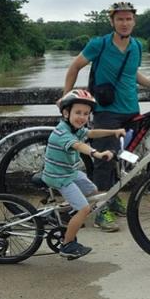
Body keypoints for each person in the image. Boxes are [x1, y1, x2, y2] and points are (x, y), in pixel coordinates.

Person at [63, 1, 150, 232]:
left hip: (131, 110)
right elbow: (74, 67)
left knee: (122, 158)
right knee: (104, 160)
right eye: (120, 19)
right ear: (112, 22)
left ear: (134, 21)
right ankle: (101, 210)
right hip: (106, 111)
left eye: (128, 19)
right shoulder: (99, 44)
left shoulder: (137, 46)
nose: (124, 23)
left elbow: (133, 74)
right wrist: (66, 99)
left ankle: (111, 198)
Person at [43, 89, 126, 259]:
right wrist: (96, 153)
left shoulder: (75, 128)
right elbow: (79, 146)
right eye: (78, 113)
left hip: (70, 172)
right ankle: (67, 245)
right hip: (60, 177)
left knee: (92, 191)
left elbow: (91, 133)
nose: (82, 117)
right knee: (84, 208)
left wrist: (113, 132)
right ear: (66, 113)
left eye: (86, 114)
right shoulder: (62, 133)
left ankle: (68, 213)